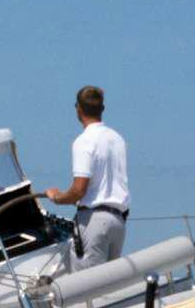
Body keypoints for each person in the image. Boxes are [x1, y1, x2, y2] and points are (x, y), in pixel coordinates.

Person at [38, 84, 129, 268]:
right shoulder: (117, 139)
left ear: (78, 109)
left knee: (88, 282)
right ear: (102, 108)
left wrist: (56, 197)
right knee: (110, 282)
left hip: (94, 223)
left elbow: (79, 190)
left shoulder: (84, 141)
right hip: (118, 223)